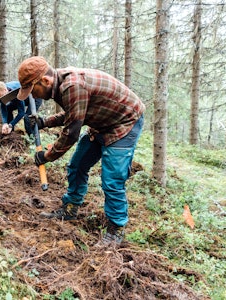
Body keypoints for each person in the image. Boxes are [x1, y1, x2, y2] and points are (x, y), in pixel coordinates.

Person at [16, 56, 145, 247]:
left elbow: (71, 133)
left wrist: (47, 156)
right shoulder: (62, 84)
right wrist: (44, 122)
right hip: (100, 121)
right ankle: (70, 208)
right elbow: (74, 113)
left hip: (124, 123)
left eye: (33, 90)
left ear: (45, 80)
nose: (33, 96)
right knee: (77, 165)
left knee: (112, 180)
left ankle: (115, 230)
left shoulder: (73, 86)